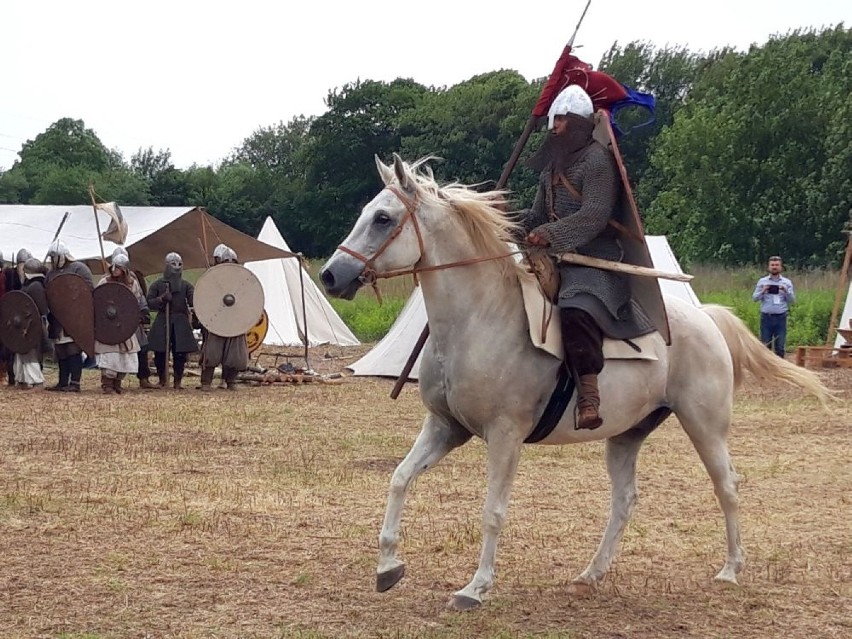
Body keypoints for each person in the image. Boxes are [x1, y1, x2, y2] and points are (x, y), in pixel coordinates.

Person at [514, 85, 653, 430]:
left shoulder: (597, 161)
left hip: (593, 260)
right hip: (553, 260)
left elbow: (594, 215)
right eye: (554, 120)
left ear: (578, 123)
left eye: (561, 120)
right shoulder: (552, 166)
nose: (555, 127)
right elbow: (536, 215)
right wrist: (506, 222)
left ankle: (588, 397)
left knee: (576, 308)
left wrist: (551, 234)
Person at [198, 244, 249, 391]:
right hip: (216, 318)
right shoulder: (211, 277)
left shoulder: (242, 279)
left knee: (235, 355)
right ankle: (206, 381)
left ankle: (230, 380)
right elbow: (205, 298)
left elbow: (247, 298)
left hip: (235, 319)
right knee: (212, 353)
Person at [45, 241, 94, 392]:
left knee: (73, 349)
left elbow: (87, 291)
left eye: (55, 257)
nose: (53, 260)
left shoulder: (79, 269)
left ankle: (75, 383)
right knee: (61, 350)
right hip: (57, 317)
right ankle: (62, 382)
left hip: (75, 317)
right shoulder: (51, 274)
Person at [95, 253, 145, 394]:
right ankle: (107, 384)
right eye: (114, 267)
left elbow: (135, 303)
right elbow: (97, 301)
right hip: (108, 326)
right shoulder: (105, 282)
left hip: (124, 326)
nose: (115, 269)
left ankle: (117, 383)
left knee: (125, 356)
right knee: (110, 357)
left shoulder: (132, 283)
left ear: (125, 269)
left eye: (119, 267)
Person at [147, 252, 198, 389]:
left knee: (180, 353)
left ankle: (177, 381)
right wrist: (161, 299)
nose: (176, 267)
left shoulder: (186, 286)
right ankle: (163, 379)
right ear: (167, 266)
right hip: (164, 318)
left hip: (180, 320)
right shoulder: (158, 285)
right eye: (173, 264)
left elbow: (194, 301)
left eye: (179, 264)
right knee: (160, 352)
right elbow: (149, 303)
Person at [14, 258, 50, 390]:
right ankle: (22, 379)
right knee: (21, 352)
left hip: (32, 325)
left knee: (30, 353)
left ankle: (37, 381)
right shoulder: (30, 285)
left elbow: (41, 309)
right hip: (22, 324)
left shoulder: (36, 286)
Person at [752, 255, 795, 357]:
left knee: (780, 346)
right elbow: (754, 298)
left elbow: (792, 300)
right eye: (772, 265)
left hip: (781, 317)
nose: (774, 267)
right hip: (766, 317)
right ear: (768, 267)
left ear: (781, 267)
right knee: (765, 345)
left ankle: (780, 369)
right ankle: (765, 369)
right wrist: (763, 290)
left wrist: (785, 291)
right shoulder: (762, 281)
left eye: (776, 265)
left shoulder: (787, 282)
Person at [1, 249, 30, 387]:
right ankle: (10, 376)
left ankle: (18, 377)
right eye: (20, 264)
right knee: (8, 348)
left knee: (20, 347)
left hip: (23, 317)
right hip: (8, 315)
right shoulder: (8, 276)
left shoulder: (29, 279)